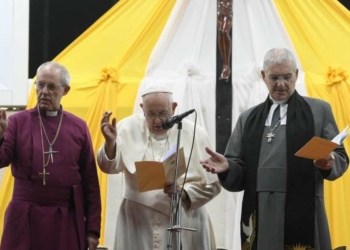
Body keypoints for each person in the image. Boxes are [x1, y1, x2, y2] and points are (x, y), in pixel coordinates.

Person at [201, 48, 349, 249]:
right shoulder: (248, 119)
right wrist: (228, 167)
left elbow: (340, 155)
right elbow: (237, 165)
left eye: (287, 77)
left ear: (296, 75)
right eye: (274, 77)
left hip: (304, 205)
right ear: (263, 77)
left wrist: (329, 162)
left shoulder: (319, 111)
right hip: (261, 208)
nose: (281, 84)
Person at [97, 78, 221, 250]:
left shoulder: (195, 133)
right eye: (151, 114)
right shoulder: (126, 128)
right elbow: (108, 167)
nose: (157, 121)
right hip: (137, 222)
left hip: (184, 217)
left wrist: (185, 192)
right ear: (142, 109)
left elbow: (213, 184)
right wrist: (110, 144)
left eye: (162, 113)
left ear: (174, 107)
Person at [0, 62, 101, 250]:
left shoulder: (78, 127)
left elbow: (90, 182)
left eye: (52, 86)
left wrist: (92, 230)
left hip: (65, 217)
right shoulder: (17, 122)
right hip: (24, 216)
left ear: (66, 90)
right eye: (40, 84)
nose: (44, 91)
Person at [217, 0, 233, 81]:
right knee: (221, 32)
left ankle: (226, 66)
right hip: (220, 6)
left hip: (228, 6)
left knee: (224, 31)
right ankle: (225, 65)